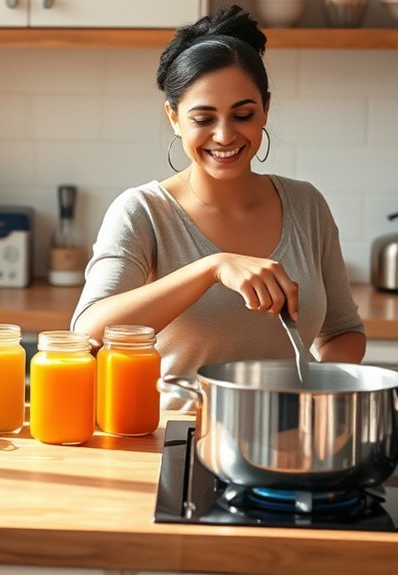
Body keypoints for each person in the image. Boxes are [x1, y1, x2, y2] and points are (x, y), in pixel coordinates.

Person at [70, 4, 366, 408]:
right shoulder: (142, 212)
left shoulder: (306, 204)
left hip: (290, 439)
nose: (225, 135)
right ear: (173, 118)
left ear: (265, 109)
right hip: (174, 442)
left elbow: (342, 332)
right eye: (203, 119)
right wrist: (212, 267)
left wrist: (317, 390)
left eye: (242, 114)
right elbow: (88, 333)